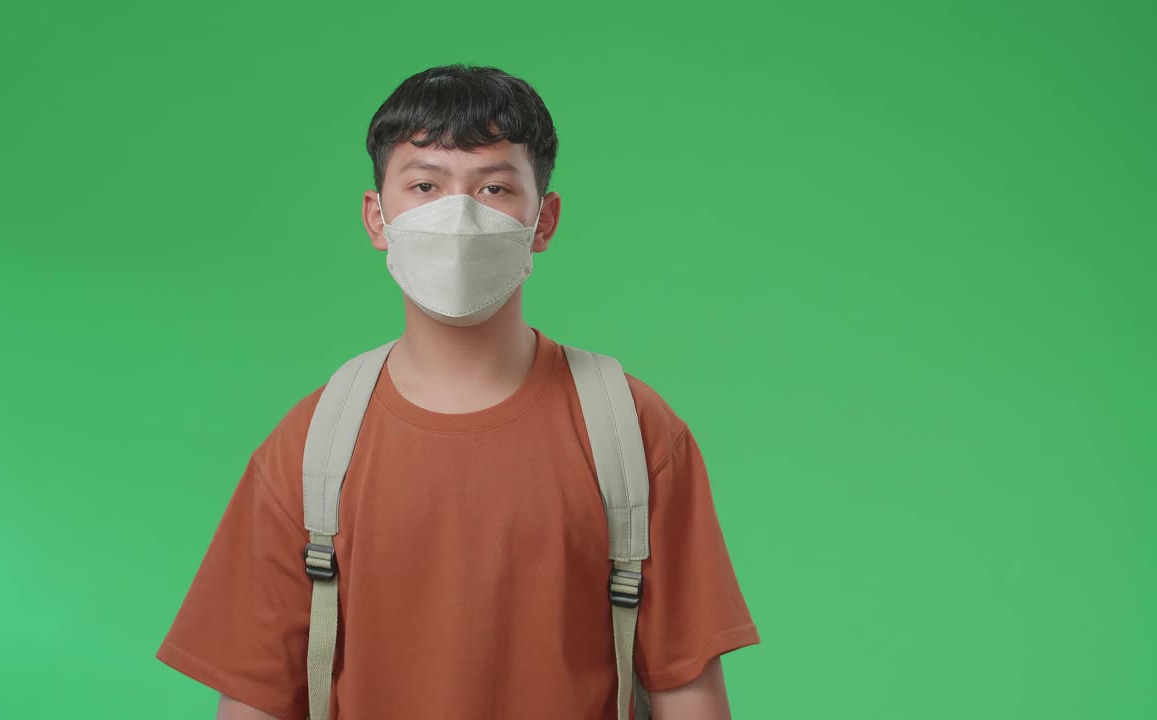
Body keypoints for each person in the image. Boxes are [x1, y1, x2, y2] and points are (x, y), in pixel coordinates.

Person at [155, 63, 761, 720]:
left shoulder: (632, 432)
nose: (459, 216)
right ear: (377, 216)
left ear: (545, 219)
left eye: (495, 186)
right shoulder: (310, 449)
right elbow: (255, 702)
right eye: (424, 185)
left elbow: (688, 692)